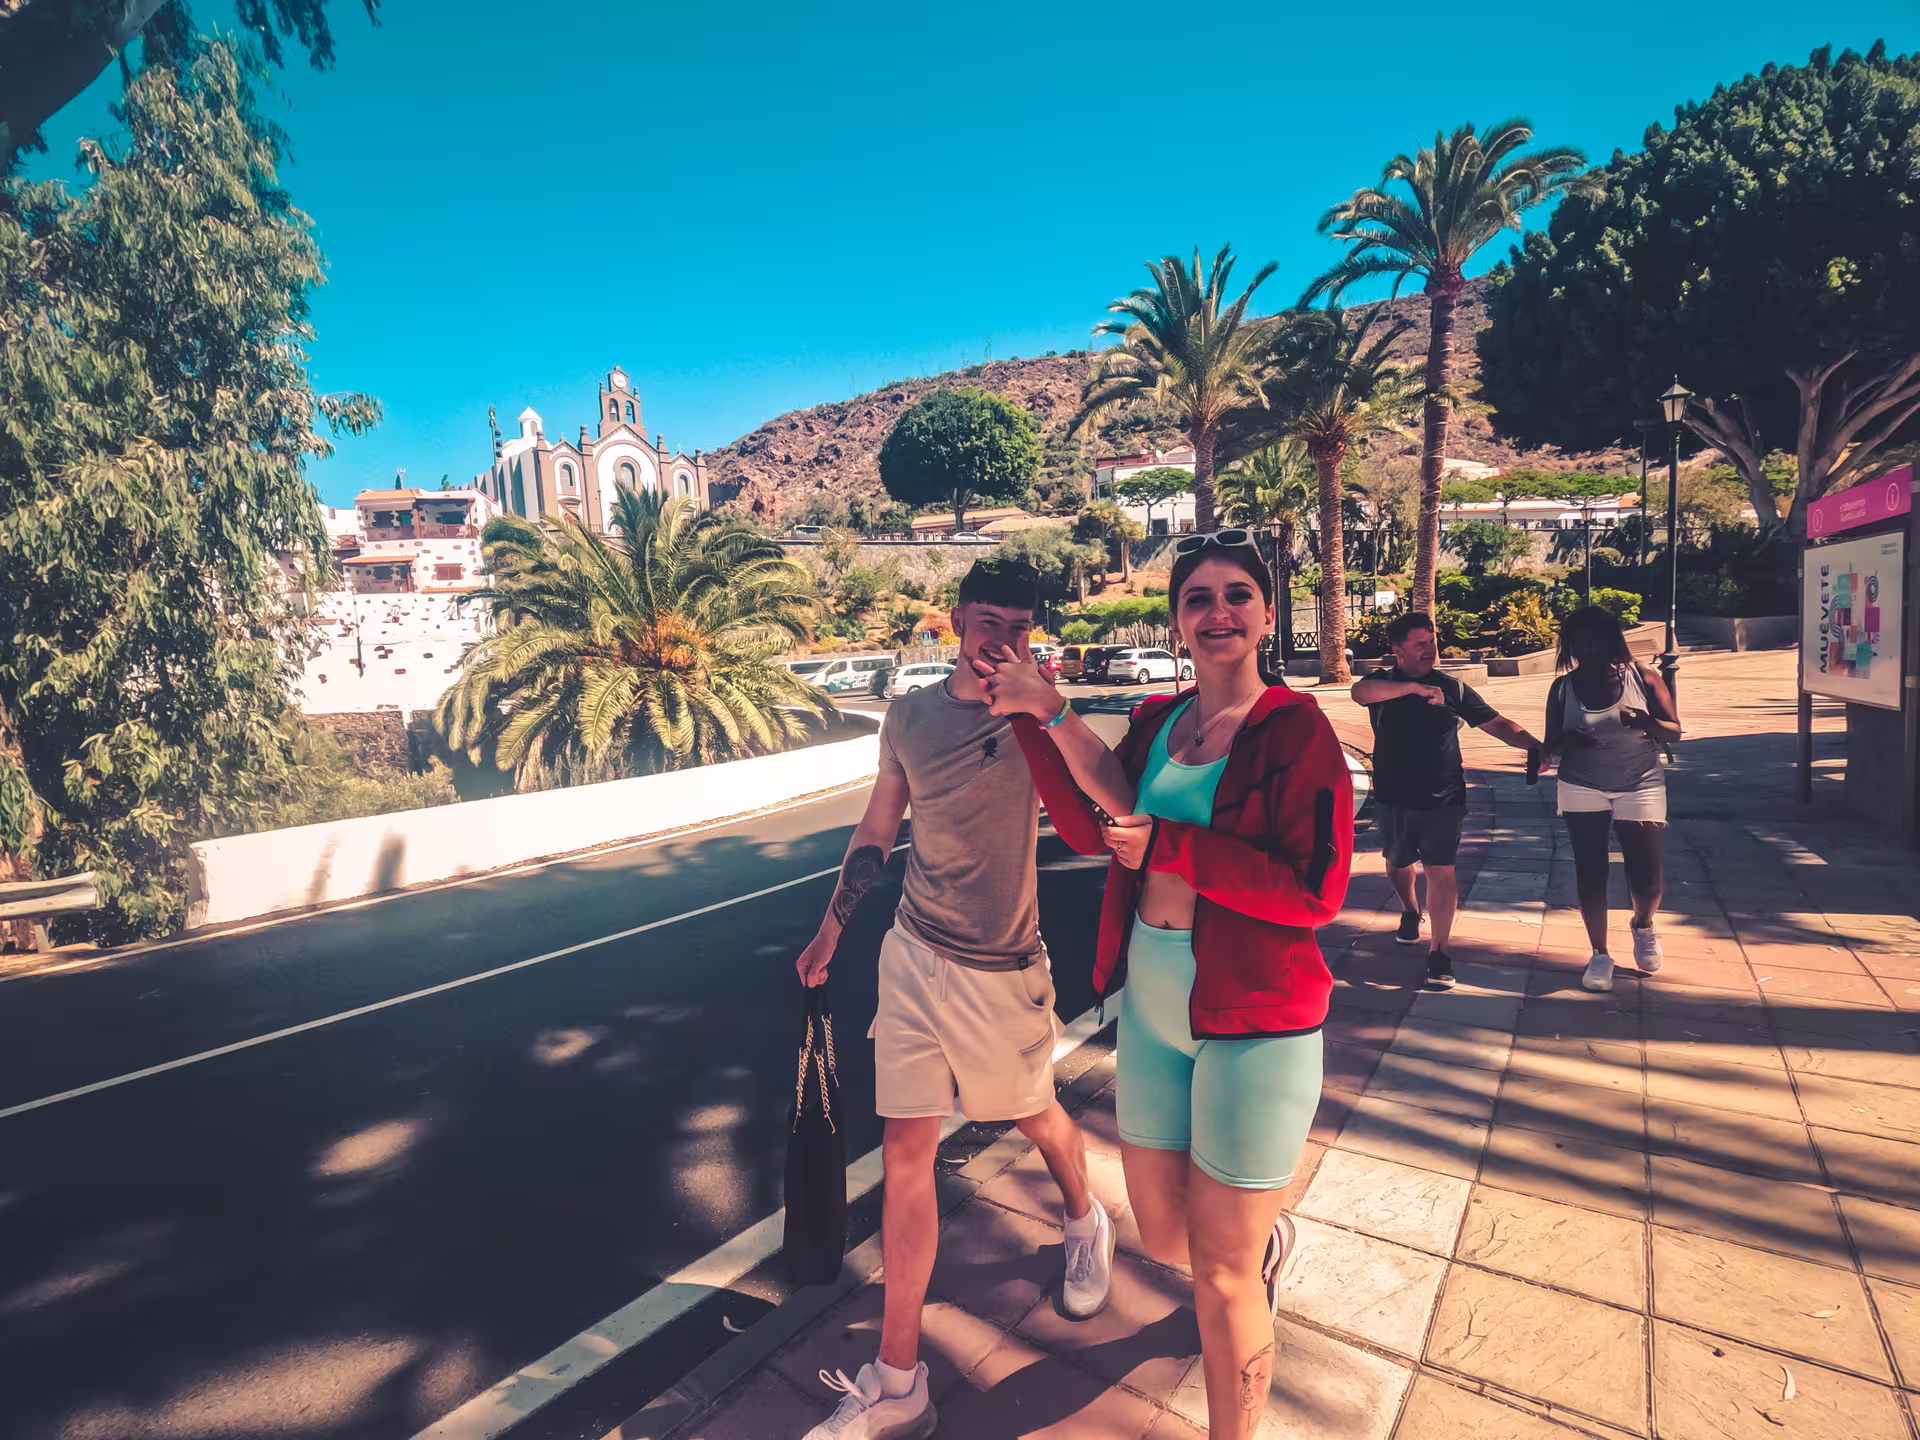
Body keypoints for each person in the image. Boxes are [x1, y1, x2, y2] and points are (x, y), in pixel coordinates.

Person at [976, 531, 1353, 1440]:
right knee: (1169, 1241)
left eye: (1237, 595)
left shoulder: (1296, 731)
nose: (1218, 612)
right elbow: (1091, 818)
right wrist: (1034, 712)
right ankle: (1260, 1251)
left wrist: (1176, 849)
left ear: (1267, 613)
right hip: (1152, 1013)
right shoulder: (1157, 724)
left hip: (1257, 1019)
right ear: (1177, 621)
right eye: (1197, 599)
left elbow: (1318, 893)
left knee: (1218, 1277)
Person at [793, 558, 1113, 1440]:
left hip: (1002, 966)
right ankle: (899, 1381)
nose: (997, 641)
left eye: (1016, 627)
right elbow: (876, 829)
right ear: (956, 621)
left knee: (1033, 1110)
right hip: (912, 952)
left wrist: (1050, 709)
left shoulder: (1040, 715)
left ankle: (1085, 1221)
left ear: (1031, 634)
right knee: (907, 1150)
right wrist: (832, 929)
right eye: (984, 622)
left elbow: (1104, 805)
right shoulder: (910, 715)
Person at [1350, 612, 1542, 988]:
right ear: (1398, 649)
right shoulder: (1381, 684)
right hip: (1394, 796)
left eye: (1432, 642)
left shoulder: (1453, 688)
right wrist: (1414, 690)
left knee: (1442, 871)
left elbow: (1496, 723)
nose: (1430, 649)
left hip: (1444, 797)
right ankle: (1409, 909)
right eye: (1420, 644)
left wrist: (1535, 744)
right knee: (1396, 862)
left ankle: (1439, 952)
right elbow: (1359, 694)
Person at [1542, 605, 1681, 992]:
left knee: (1647, 877)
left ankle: (1643, 924)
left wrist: (1645, 722)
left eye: (1595, 641)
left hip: (1641, 783)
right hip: (1581, 784)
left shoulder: (1644, 677)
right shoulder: (1562, 689)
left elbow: (1674, 732)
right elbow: (1551, 744)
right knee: (1591, 872)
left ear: (1611, 642)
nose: (1587, 650)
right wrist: (1563, 743)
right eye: (1579, 643)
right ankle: (1600, 954)